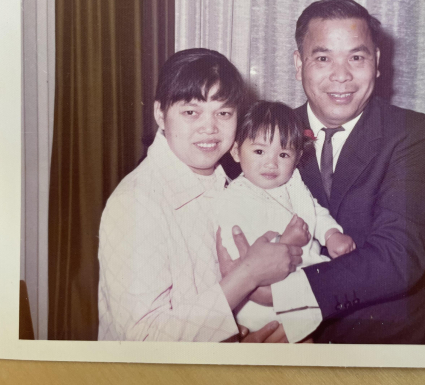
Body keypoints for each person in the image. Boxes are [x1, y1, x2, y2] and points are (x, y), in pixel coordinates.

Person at [219, 0, 425, 344]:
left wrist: (277, 296)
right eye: (323, 58)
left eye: (356, 57)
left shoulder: (412, 133)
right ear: (299, 64)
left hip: (386, 344)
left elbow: (398, 257)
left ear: (377, 62)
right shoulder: (264, 136)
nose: (342, 76)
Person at [97, 48, 303, 342]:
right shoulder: (137, 201)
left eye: (223, 113)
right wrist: (248, 275)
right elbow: (142, 338)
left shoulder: (236, 184)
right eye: (191, 112)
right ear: (160, 113)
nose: (210, 127)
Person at [213, 101, 356, 342]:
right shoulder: (233, 199)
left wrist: (331, 234)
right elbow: (238, 256)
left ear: (298, 157)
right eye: (259, 151)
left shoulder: (293, 184)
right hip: (260, 307)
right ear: (237, 151)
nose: (271, 163)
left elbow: (313, 211)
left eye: (283, 154)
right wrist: (286, 243)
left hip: (301, 287)